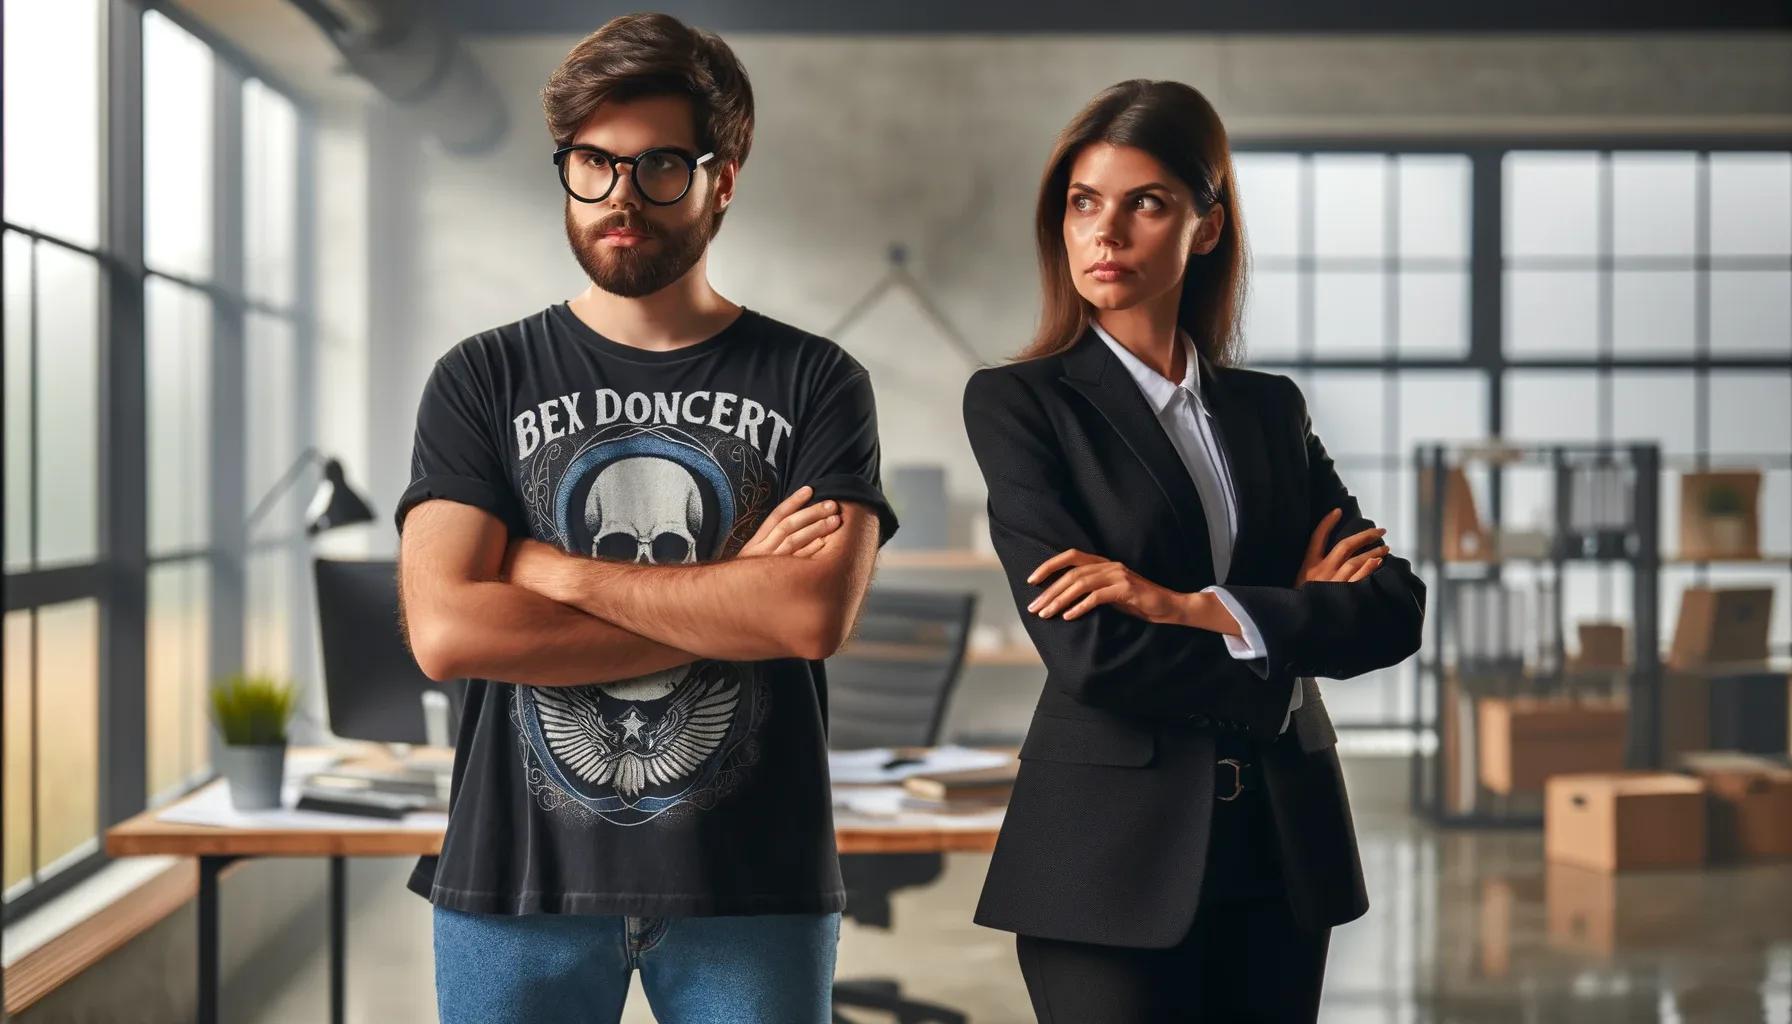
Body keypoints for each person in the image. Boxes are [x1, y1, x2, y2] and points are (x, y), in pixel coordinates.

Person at [395, 14, 897, 1024]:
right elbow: (449, 633)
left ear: (725, 175)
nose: (620, 196)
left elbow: (804, 620)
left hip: (751, 887)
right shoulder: (481, 378)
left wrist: (554, 570)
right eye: (593, 163)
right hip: (513, 887)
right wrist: (725, 591)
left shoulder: (816, 380)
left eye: (659, 165)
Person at [962, 79, 1426, 1023]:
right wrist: (1284, 629)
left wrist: (1189, 605)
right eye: (1084, 202)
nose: (1106, 232)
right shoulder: (1022, 406)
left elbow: (1393, 609)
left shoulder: (1269, 410)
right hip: (1107, 858)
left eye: (1147, 203)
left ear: (1205, 228)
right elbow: (1091, 652)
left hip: (1283, 845)